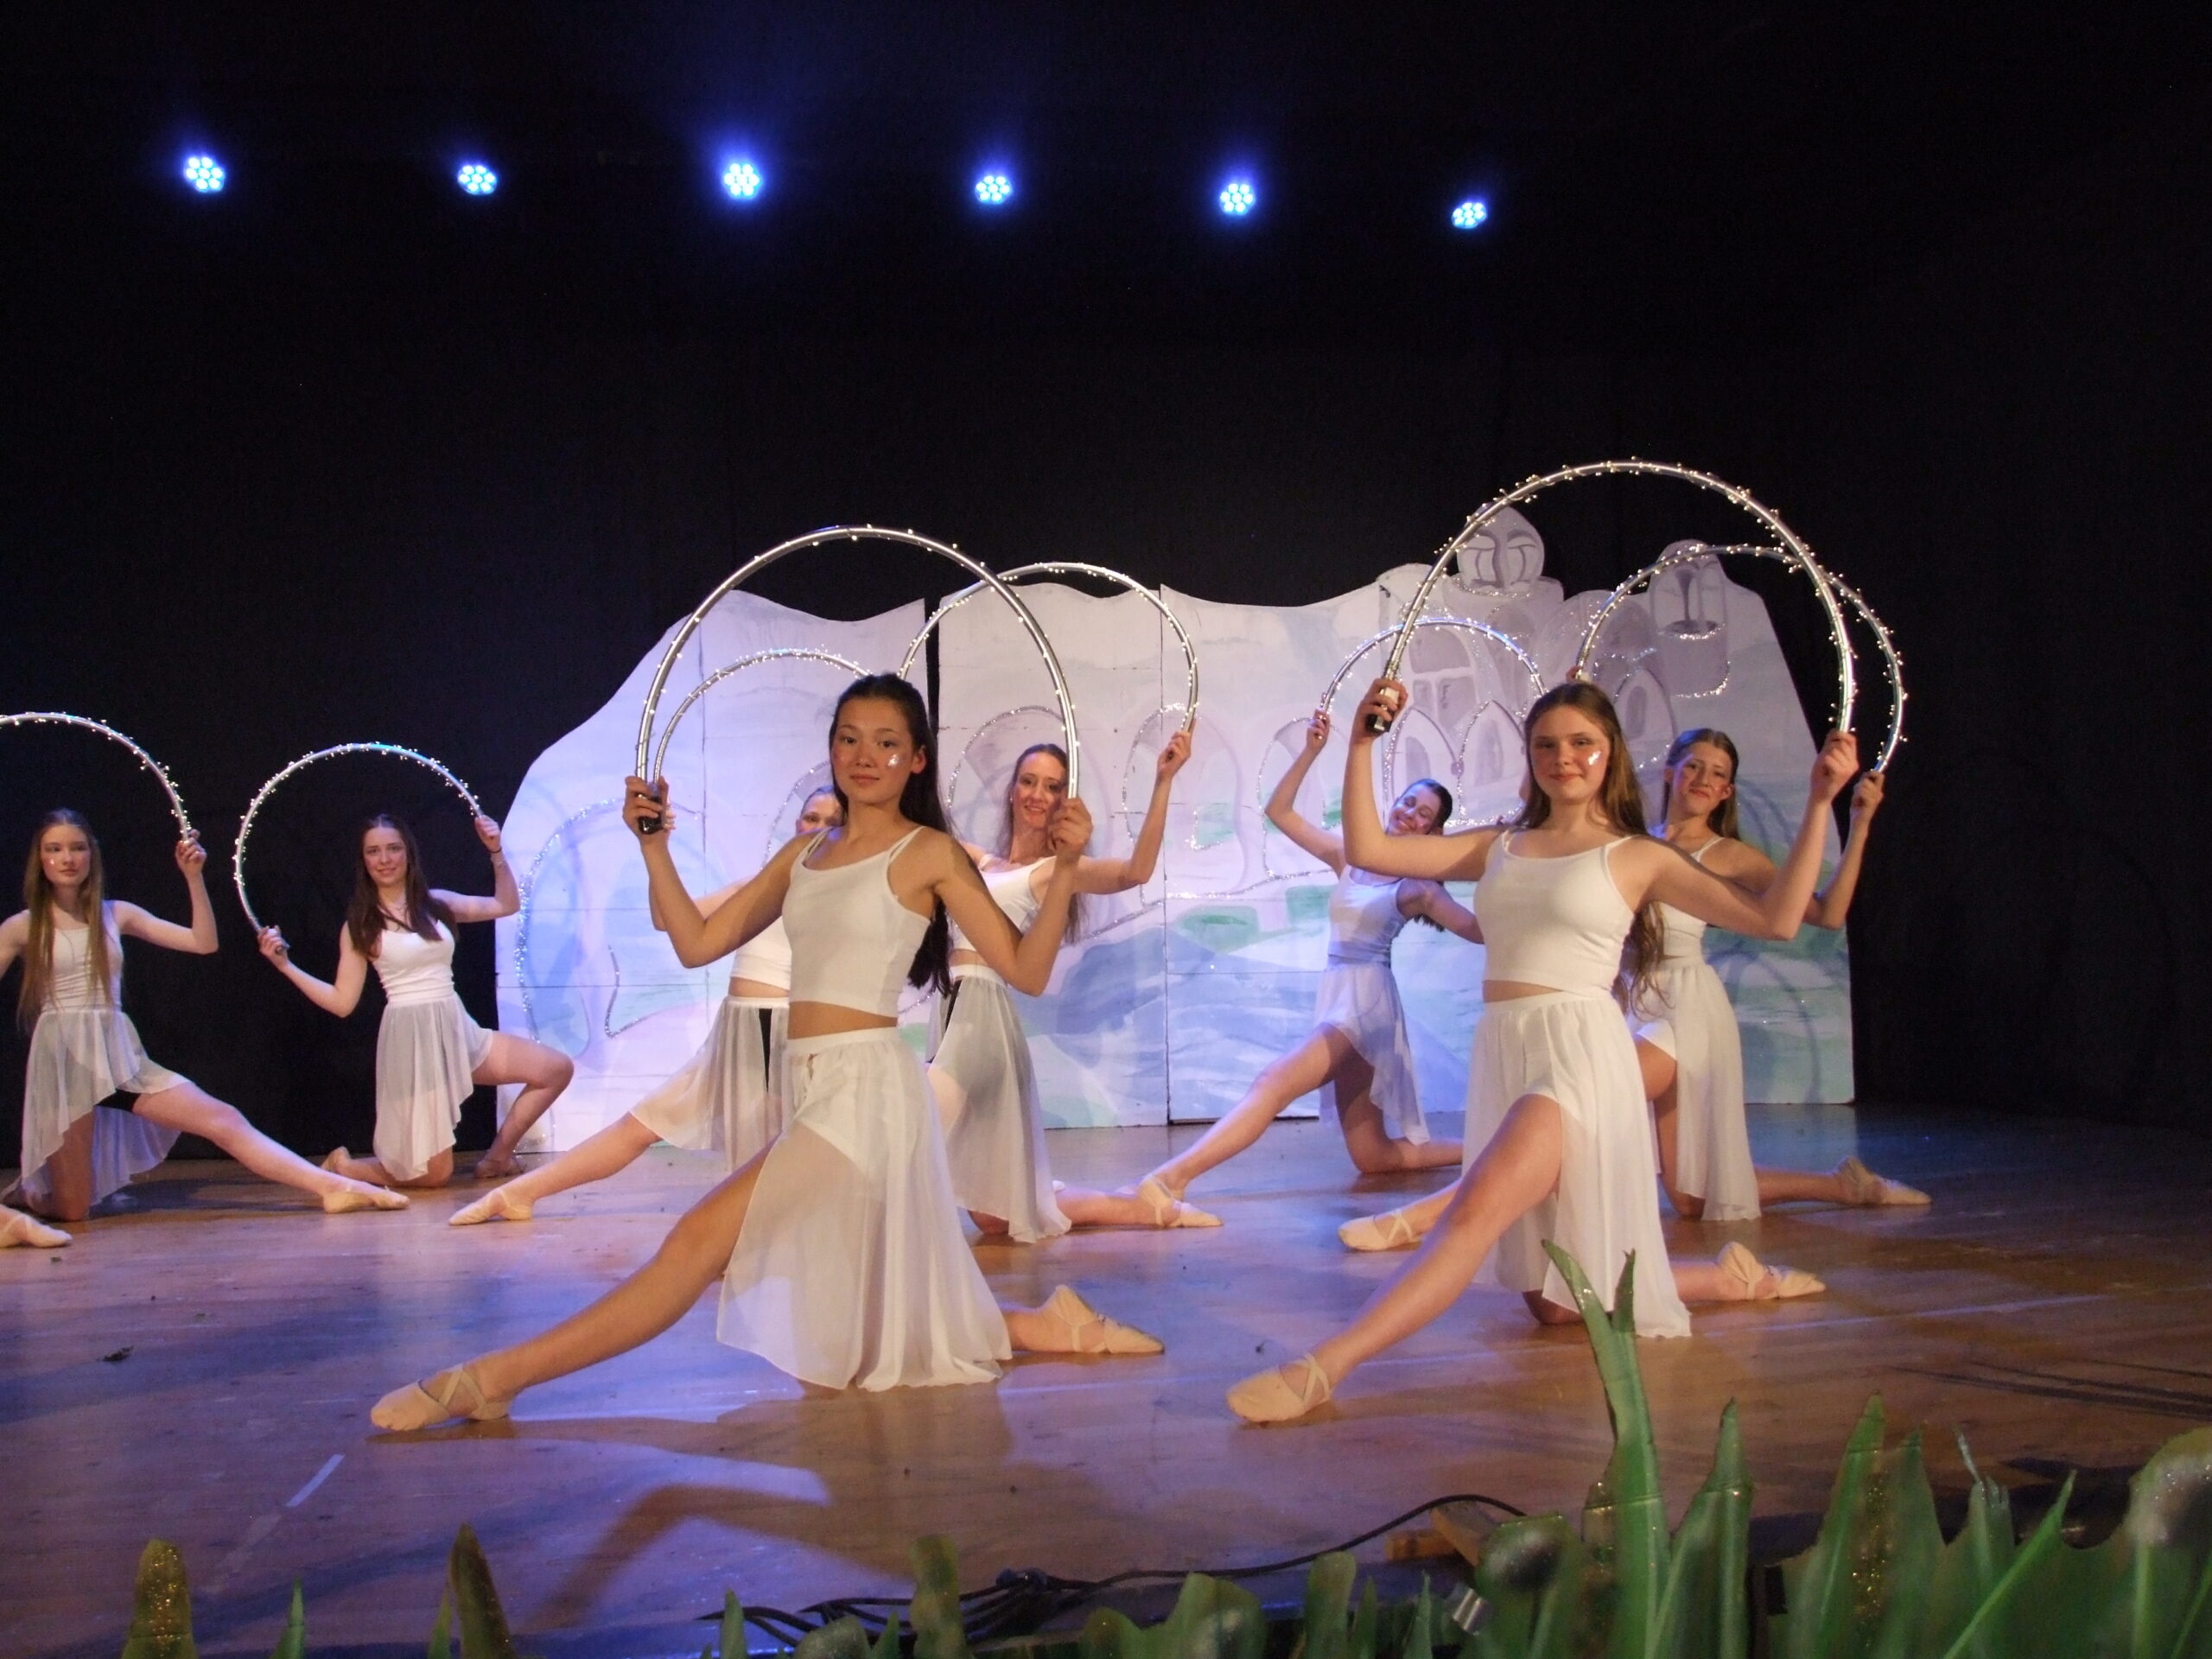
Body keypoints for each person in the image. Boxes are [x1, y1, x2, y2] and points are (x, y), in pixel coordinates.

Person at [371, 675, 1161, 1429]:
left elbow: (1026, 970)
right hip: (815, 1086)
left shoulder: (930, 854)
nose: (865, 756)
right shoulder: (804, 857)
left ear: (917, 759)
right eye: (849, 738)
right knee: (861, 1311)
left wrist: (1063, 871)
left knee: (692, 1249)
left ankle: (489, 1380)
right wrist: (653, 846)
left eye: (887, 742)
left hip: (867, 1093)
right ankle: (1048, 1325)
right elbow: (696, 942)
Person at [1227, 680, 1854, 1425]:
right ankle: (1727, 1280)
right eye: (1547, 744)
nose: (1564, 757)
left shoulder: (1637, 856)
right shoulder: (1499, 846)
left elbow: (1779, 920)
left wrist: (1822, 800)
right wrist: (1362, 743)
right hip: (1508, 1047)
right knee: (1553, 1303)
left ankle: (1323, 1368)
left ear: (1610, 752)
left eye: (1582, 742)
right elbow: (1370, 849)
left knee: (1472, 1215)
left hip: (1580, 1056)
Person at [1126, 709, 1478, 1221]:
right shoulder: (1351, 856)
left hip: (1365, 1008)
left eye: (1423, 814)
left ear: (1433, 830)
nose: (1409, 814)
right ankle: (1484, 1147)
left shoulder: (1417, 886)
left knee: (1272, 1083)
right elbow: (1280, 810)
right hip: (1340, 996)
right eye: (1408, 802)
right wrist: (1311, 752)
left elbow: (1474, 928)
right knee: (1374, 1157)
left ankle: (1170, 1179)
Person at [448, 788, 843, 1226]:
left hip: (787, 1031)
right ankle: (517, 1192)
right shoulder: (762, 883)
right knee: (644, 1123)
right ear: (797, 824)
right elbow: (667, 918)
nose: (818, 829)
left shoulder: (844, 894)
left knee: (778, 1154)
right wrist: (658, 848)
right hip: (740, 1029)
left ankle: (772, 1234)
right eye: (811, 817)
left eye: (832, 821)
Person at [2, 810, 402, 1226]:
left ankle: (334, 1187)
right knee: (73, 1210)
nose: (67, 858)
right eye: (55, 849)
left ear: (91, 855)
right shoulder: (22, 927)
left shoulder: (116, 914)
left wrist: (193, 878)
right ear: (41, 860)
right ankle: (30, 1194)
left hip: (118, 1054)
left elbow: (202, 942)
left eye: (77, 848)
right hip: (65, 1062)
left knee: (222, 1118)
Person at [931, 731, 1209, 1237]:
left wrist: (1163, 781)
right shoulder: (974, 861)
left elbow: (1136, 871)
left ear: (1064, 801)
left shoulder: (1056, 872)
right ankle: (1145, 1207)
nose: (1038, 794)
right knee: (994, 1216)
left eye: (1052, 787)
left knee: (918, 1127)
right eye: (1029, 782)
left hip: (981, 1015)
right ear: (1012, 791)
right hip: (950, 1008)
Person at [1637, 728, 1923, 1219]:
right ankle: (1844, 1187)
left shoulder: (1727, 855)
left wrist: (1859, 825)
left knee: (1600, 1094)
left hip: (1681, 1011)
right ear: (1669, 772)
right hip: (1632, 1001)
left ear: (1726, 792)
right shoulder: (1635, 842)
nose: (1703, 779)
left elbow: (1827, 913)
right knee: (1691, 1198)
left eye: (1718, 774)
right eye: (1694, 766)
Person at [258, 813, 572, 1187]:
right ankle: (345, 1168)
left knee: (555, 1070)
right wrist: (285, 967)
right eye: (374, 851)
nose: (384, 859)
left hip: (456, 1031)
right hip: (412, 1045)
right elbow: (342, 1002)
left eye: (393, 848)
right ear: (363, 860)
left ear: (408, 853)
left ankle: (497, 1158)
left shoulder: (435, 904)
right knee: (434, 1177)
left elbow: (505, 905)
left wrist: (496, 853)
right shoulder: (361, 925)